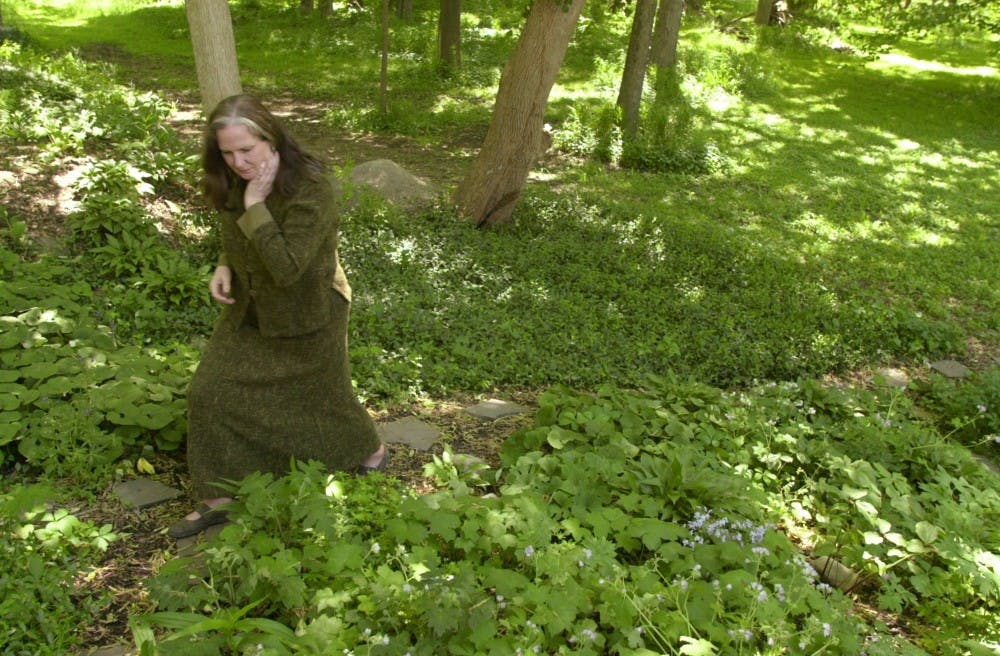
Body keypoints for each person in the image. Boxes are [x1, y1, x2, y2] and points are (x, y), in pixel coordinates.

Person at [168, 94, 387, 539]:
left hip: (310, 311)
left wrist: (255, 204)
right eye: (227, 153)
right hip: (252, 307)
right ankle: (219, 498)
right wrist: (225, 263)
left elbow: (288, 268)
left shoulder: (310, 186)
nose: (238, 161)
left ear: (271, 138)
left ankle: (371, 451)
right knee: (209, 391)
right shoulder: (233, 178)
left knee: (323, 398)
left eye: (246, 150)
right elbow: (232, 232)